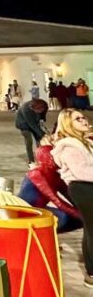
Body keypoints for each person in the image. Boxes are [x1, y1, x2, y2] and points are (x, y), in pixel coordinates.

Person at [52, 110, 93, 287]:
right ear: (68, 124)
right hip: (83, 187)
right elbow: (82, 172)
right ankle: (91, 273)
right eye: (78, 119)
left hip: (87, 186)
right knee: (92, 229)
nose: (84, 120)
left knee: (90, 228)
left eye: (83, 117)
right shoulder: (69, 146)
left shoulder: (83, 142)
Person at [18, 141, 82, 233]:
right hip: (27, 209)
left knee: (77, 220)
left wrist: (83, 209)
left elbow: (69, 193)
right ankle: (44, 237)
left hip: (40, 207)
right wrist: (78, 214)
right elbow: (56, 200)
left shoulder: (55, 174)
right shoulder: (36, 174)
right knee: (63, 218)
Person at [15, 97, 49, 167]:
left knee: (40, 140)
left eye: (37, 111)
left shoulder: (44, 105)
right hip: (23, 123)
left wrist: (42, 119)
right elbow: (32, 125)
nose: (35, 111)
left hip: (34, 122)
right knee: (29, 141)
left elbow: (43, 114)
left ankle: (41, 157)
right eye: (34, 110)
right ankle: (31, 161)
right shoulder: (26, 109)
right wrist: (44, 134)